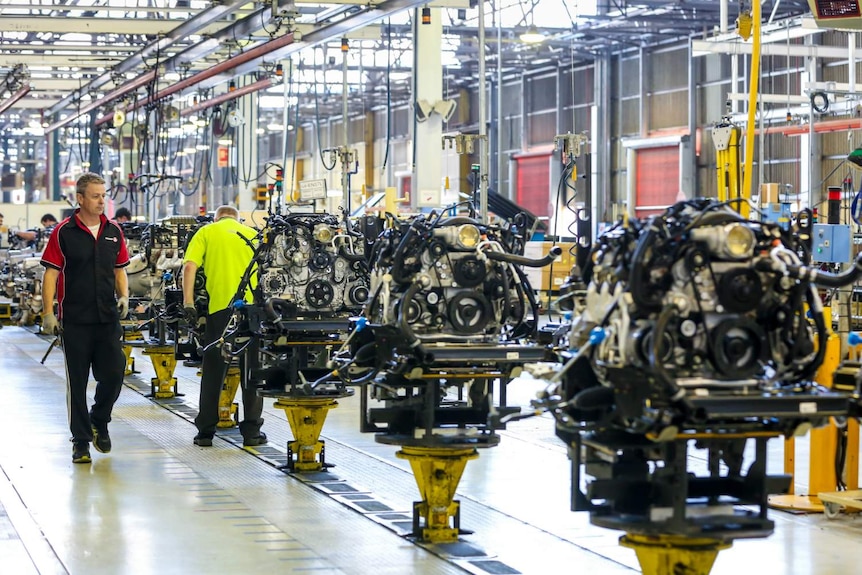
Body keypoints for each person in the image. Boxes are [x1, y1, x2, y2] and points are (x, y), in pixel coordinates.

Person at [40, 173, 130, 464]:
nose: (101, 200)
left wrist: (124, 295)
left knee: (115, 373)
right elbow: (51, 273)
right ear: (80, 199)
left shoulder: (114, 231)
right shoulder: (63, 232)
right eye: (95, 195)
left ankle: (99, 420)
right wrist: (48, 312)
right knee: (76, 383)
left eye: (104, 195)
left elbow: (120, 269)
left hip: (107, 317)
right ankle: (81, 441)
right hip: (75, 319)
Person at [182, 205, 265, 448]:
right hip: (252, 311)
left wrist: (188, 303)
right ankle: (251, 432)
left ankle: (205, 433)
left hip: (221, 311)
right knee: (252, 371)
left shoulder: (207, 232)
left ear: (216, 218)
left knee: (214, 371)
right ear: (237, 219)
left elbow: (189, 267)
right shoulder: (251, 234)